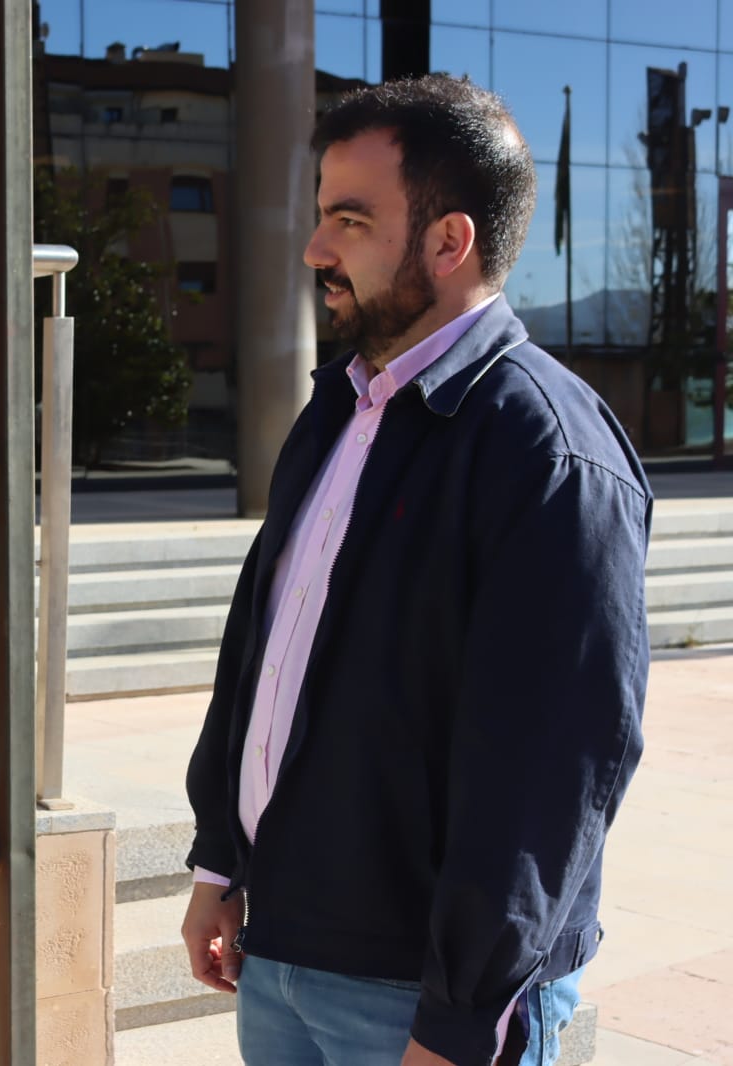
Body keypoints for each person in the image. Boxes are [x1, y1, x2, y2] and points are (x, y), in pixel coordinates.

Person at [180, 75, 650, 1066]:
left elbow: (553, 765)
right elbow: (260, 650)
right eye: (321, 216)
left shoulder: (547, 451)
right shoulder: (339, 411)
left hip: (420, 1000)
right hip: (281, 952)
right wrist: (219, 860)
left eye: (350, 221)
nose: (315, 249)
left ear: (448, 242)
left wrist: (461, 1015)